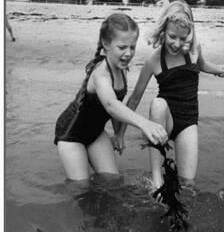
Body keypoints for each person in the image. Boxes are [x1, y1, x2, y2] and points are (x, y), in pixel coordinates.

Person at [114, 0, 224, 190]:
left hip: (187, 122)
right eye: (172, 36)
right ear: (163, 31)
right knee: (158, 104)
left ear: (189, 35)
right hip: (164, 120)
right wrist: (120, 133)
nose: (176, 43)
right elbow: (135, 98)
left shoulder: (193, 51)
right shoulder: (154, 60)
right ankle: (157, 180)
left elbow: (204, 66)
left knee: (187, 184)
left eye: (182, 38)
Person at [54, 13, 168, 181]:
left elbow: (117, 109)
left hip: (95, 133)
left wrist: (118, 134)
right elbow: (111, 105)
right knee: (82, 188)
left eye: (132, 47)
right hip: (71, 135)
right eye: (122, 47)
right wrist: (145, 124)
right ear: (106, 44)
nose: (128, 53)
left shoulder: (121, 69)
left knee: (113, 181)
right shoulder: (101, 75)